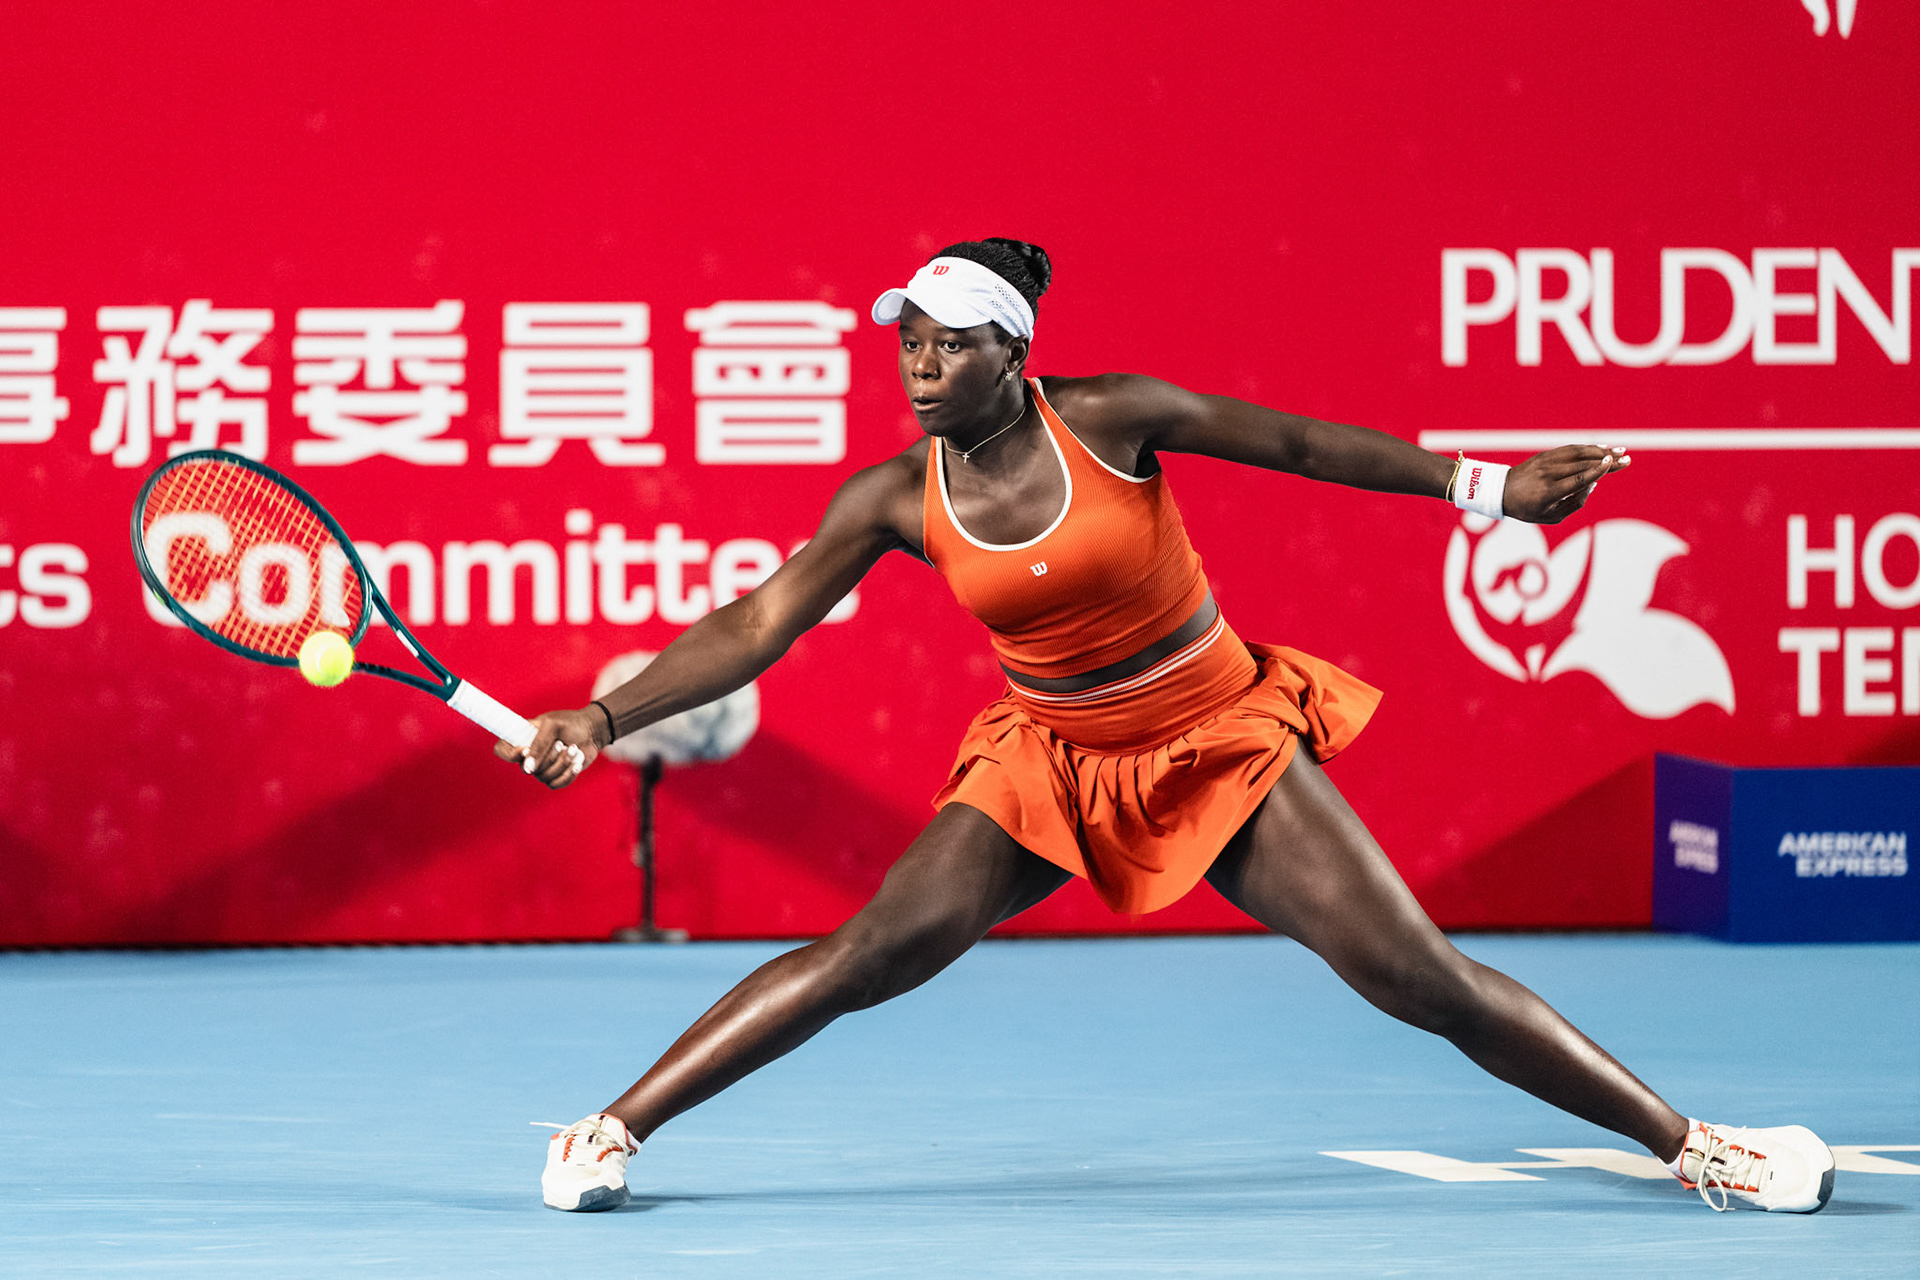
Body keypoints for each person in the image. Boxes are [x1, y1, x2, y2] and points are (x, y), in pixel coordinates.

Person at [504, 239, 1835, 1216]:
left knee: (1417, 978)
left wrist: (1485, 486)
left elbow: (1303, 446)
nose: (920, 362)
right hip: (1048, 757)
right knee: (873, 949)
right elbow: (754, 624)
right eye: (908, 337)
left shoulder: (1117, 419)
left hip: (1217, 737)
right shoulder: (889, 500)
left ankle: (1695, 1145)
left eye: (951, 341)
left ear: (1014, 353)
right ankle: (612, 1130)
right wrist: (606, 716)